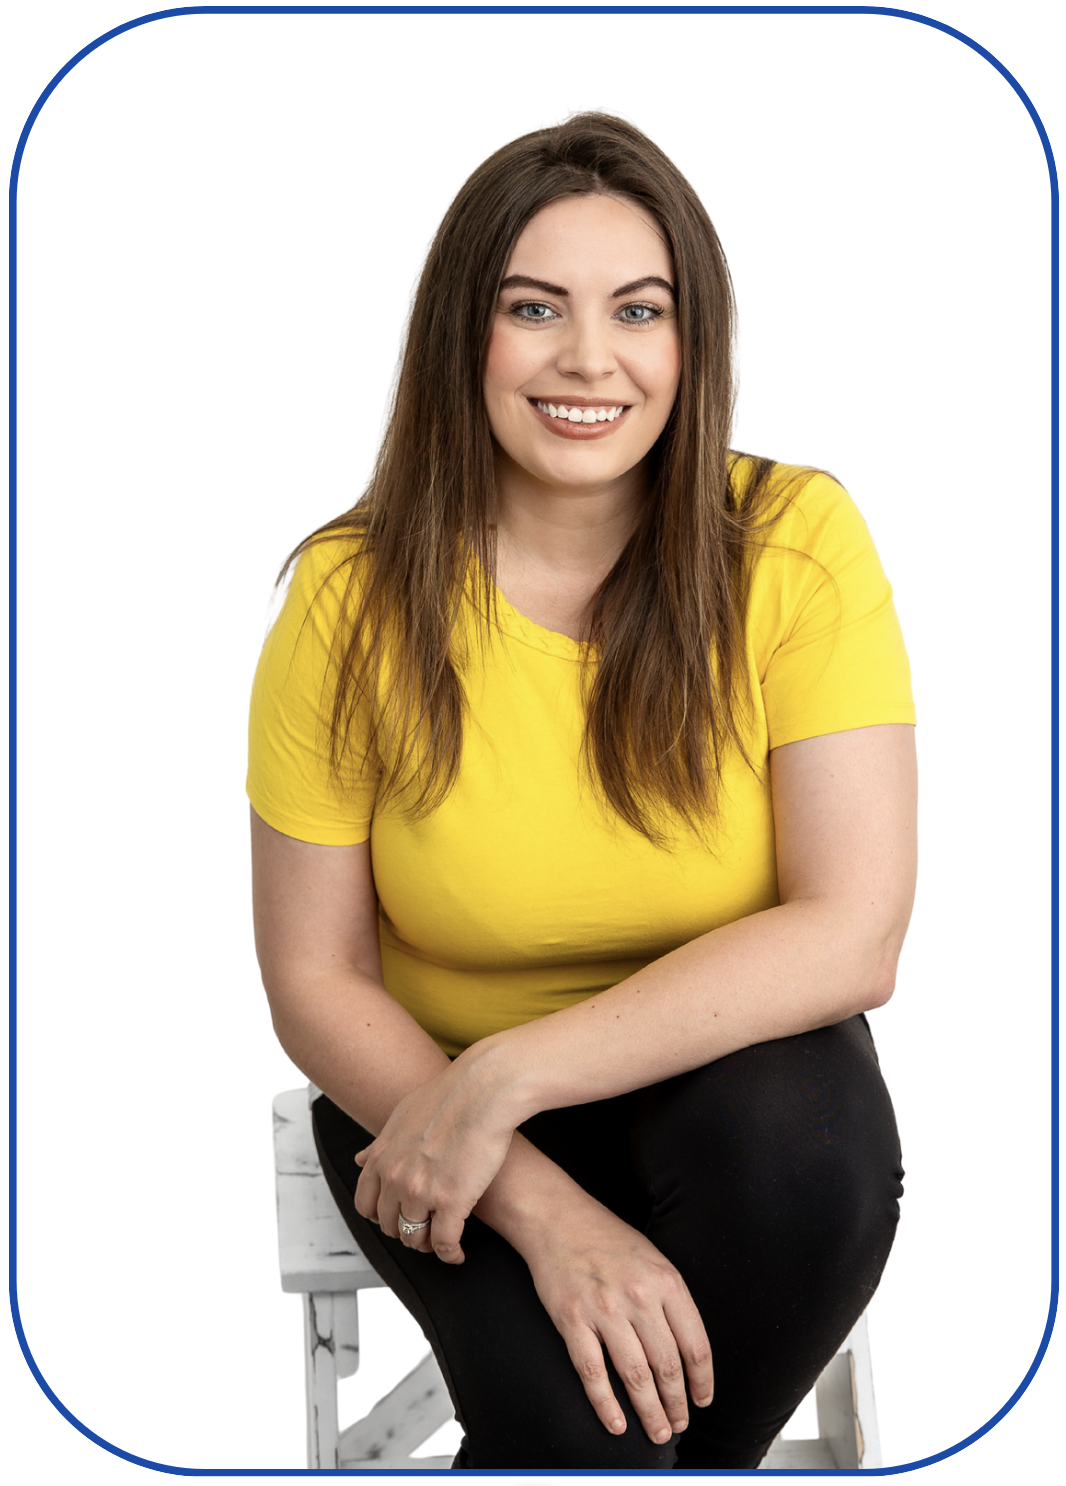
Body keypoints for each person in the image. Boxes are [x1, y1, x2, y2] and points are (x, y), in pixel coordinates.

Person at [247, 112, 916, 1469]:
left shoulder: (794, 542)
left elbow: (854, 931)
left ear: (692, 340)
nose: (589, 359)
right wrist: (538, 1200)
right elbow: (315, 976)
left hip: (728, 1099)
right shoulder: (346, 597)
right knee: (572, 1433)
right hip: (427, 1111)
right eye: (534, 307)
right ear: (464, 335)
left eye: (638, 309)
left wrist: (514, 1072)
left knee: (802, 1154)